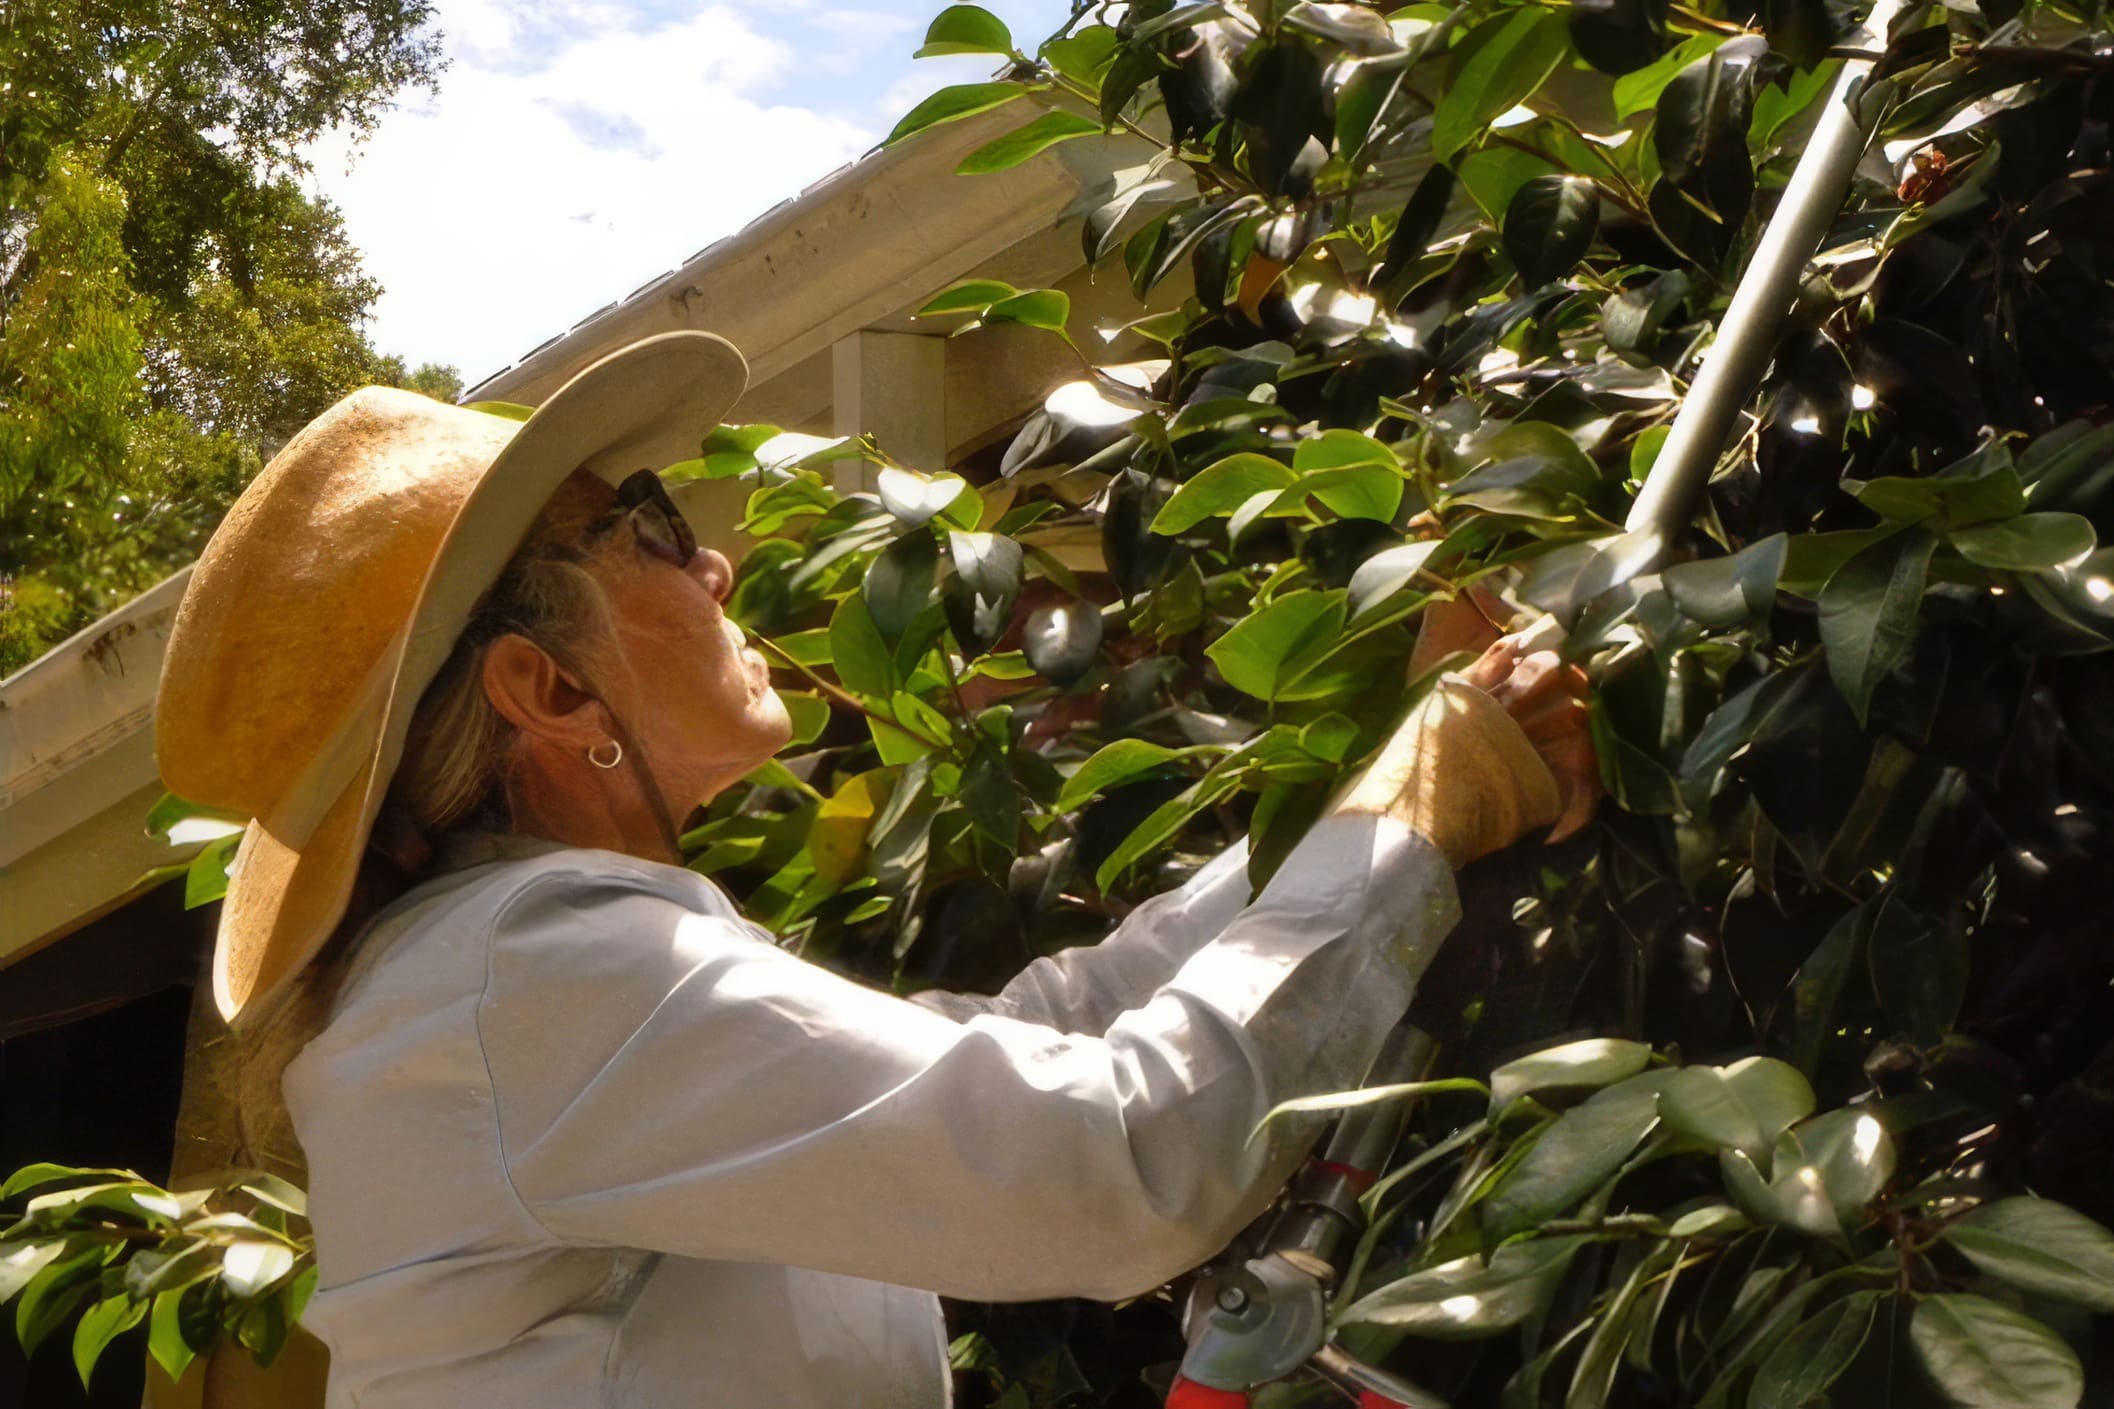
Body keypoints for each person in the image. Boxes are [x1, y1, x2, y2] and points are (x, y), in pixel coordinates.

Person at [154, 332, 1596, 1408]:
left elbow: (1016, 1048)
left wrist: (1383, 790)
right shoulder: (532, 973)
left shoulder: (499, 981)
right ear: (544, 687)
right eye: (648, 524)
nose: (712, 567)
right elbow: (1108, 1160)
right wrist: (1411, 810)